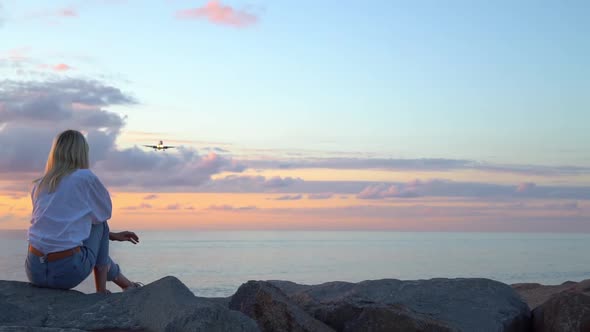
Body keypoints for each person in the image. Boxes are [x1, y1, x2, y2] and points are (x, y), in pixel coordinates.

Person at [26, 129, 141, 294]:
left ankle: (127, 284)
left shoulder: (40, 184)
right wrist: (105, 232)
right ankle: (102, 290)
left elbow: (57, 226)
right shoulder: (86, 178)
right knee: (101, 223)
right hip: (66, 273)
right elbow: (104, 214)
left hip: (34, 271)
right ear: (81, 152)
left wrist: (112, 236)